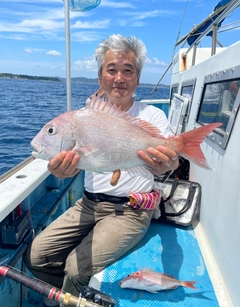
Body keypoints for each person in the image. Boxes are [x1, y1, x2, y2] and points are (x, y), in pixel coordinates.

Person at [24, 34, 179, 307]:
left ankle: (71, 292)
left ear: (138, 78)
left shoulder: (153, 116)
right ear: (100, 77)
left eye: (127, 70)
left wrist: (170, 162)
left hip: (131, 212)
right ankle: (69, 294)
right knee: (36, 256)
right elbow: (83, 163)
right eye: (112, 69)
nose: (119, 78)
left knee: (75, 267)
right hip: (88, 205)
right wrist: (62, 172)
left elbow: (170, 162)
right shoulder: (86, 115)